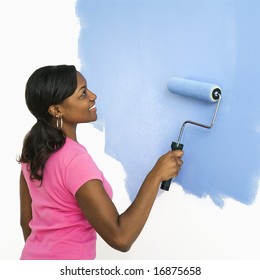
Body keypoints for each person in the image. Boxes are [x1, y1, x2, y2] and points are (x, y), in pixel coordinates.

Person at [18, 65, 183, 260]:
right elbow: (121, 237)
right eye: (82, 94)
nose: (93, 96)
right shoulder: (74, 160)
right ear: (56, 110)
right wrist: (156, 176)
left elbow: (26, 222)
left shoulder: (33, 153)